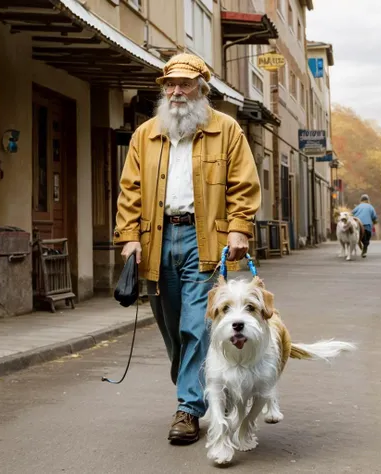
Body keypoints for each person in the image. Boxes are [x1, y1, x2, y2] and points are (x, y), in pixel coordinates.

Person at [113, 53, 261, 444]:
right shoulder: (146, 134)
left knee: (196, 324)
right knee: (171, 327)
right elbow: (130, 190)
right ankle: (209, 385)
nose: (177, 91)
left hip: (204, 239)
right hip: (156, 238)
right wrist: (128, 236)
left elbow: (243, 184)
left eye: (185, 83)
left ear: (202, 88)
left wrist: (239, 229)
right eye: (170, 84)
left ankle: (188, 408)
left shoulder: (227, 130)